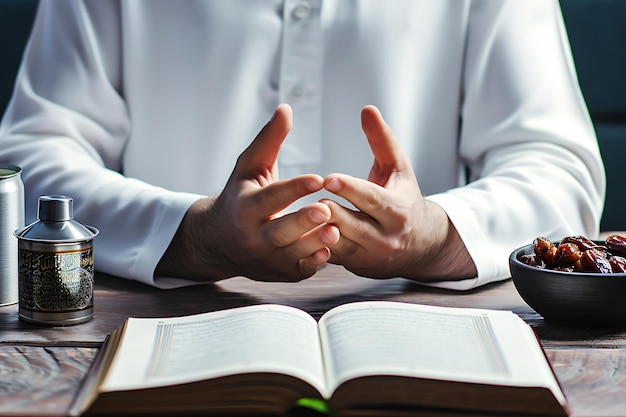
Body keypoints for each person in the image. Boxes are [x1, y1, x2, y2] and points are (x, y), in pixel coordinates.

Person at [0, 0, 605, 290]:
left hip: (424, 340)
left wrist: (435, 236)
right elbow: (29, 160)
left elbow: (556, 166)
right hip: (161, 326)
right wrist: (189, 236)